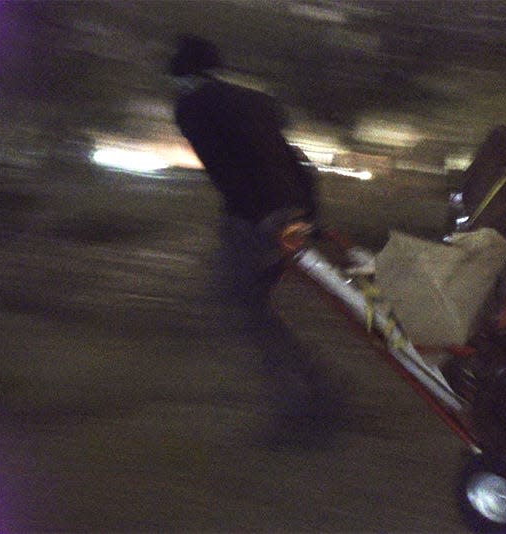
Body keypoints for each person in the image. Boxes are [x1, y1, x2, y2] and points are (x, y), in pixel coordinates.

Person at [168, 34, 343, 447]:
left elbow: (228, 173)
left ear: (184, 75)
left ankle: (300, 409)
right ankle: (316, 385)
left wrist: (258, 219)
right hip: (293, 211)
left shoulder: (192, 107)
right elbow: (293, 159)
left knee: (243, 307)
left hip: (256, 219)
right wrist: (310, 216)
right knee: (260, 307)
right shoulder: (256, 102)